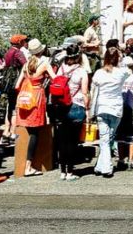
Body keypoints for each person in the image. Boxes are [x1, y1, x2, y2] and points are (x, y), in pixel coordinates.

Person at [15, 39, 55, 176]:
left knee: (29, 131)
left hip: (24, 97)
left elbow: (17, 85)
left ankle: (27, 164)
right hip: (37, 98)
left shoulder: (26, 65)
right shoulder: (44, 64)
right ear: (41, 50)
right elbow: (56, 79)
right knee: (35, 133)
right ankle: (28, 166)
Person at [90, 47, 130, 177]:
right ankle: (104, 166)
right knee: (109, 139)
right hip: (116, 108)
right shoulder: (122, 73)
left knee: (104, 139)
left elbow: (93, 91)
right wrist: (121, 58)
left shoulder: (98, 73)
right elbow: (128, 68)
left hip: (102, 107)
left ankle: (102, 166)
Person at [51, 43, 88, 181]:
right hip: (76, 105)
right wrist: (88, 109)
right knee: (73, 141)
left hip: (60, 106)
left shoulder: (61, 69)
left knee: (62, 140)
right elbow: (85, 92)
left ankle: (62, 171)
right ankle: (70, 172)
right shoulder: (81, 71)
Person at [1, 34, 27, 141]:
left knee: (9, 106)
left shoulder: (8, 52)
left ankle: (6, 131)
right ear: (20, 42)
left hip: (8, 82)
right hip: (16, 82)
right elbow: (26, 65)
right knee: (16, 108)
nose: (25, 43)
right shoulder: (18, 52)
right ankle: (12, 132)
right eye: (24, 41)